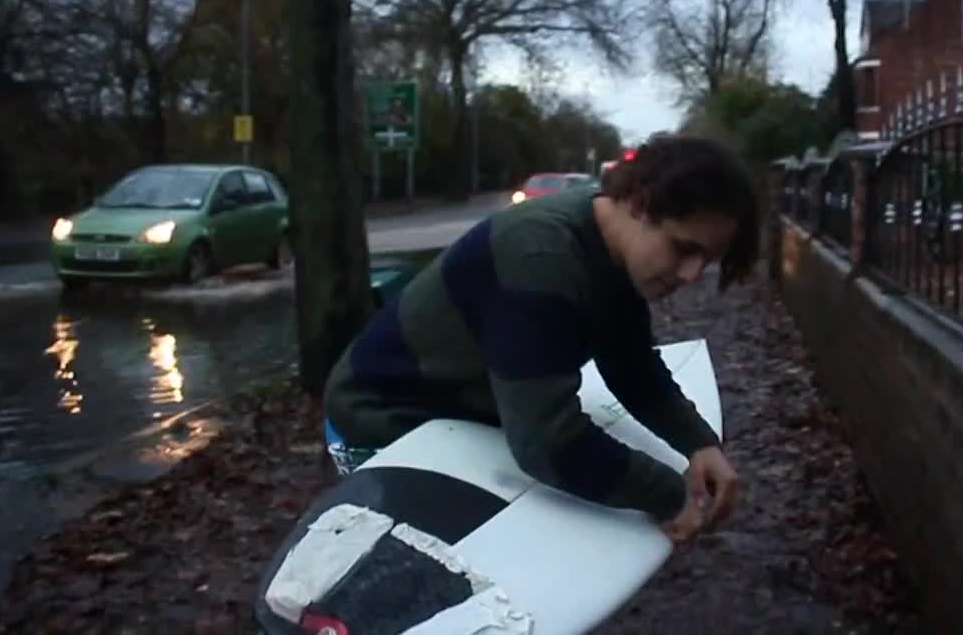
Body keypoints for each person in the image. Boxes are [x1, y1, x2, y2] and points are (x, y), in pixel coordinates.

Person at [323, 134, 761, 545]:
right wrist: (668, 495)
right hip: (378, 421)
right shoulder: (541, 257)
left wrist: (699, 443)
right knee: (431, 568)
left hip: (463, 413)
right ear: (639, 203)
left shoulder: (613, 250)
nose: (691, 275)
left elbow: (631, 365)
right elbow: (548, 442)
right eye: (684, 249)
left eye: (708, 260)